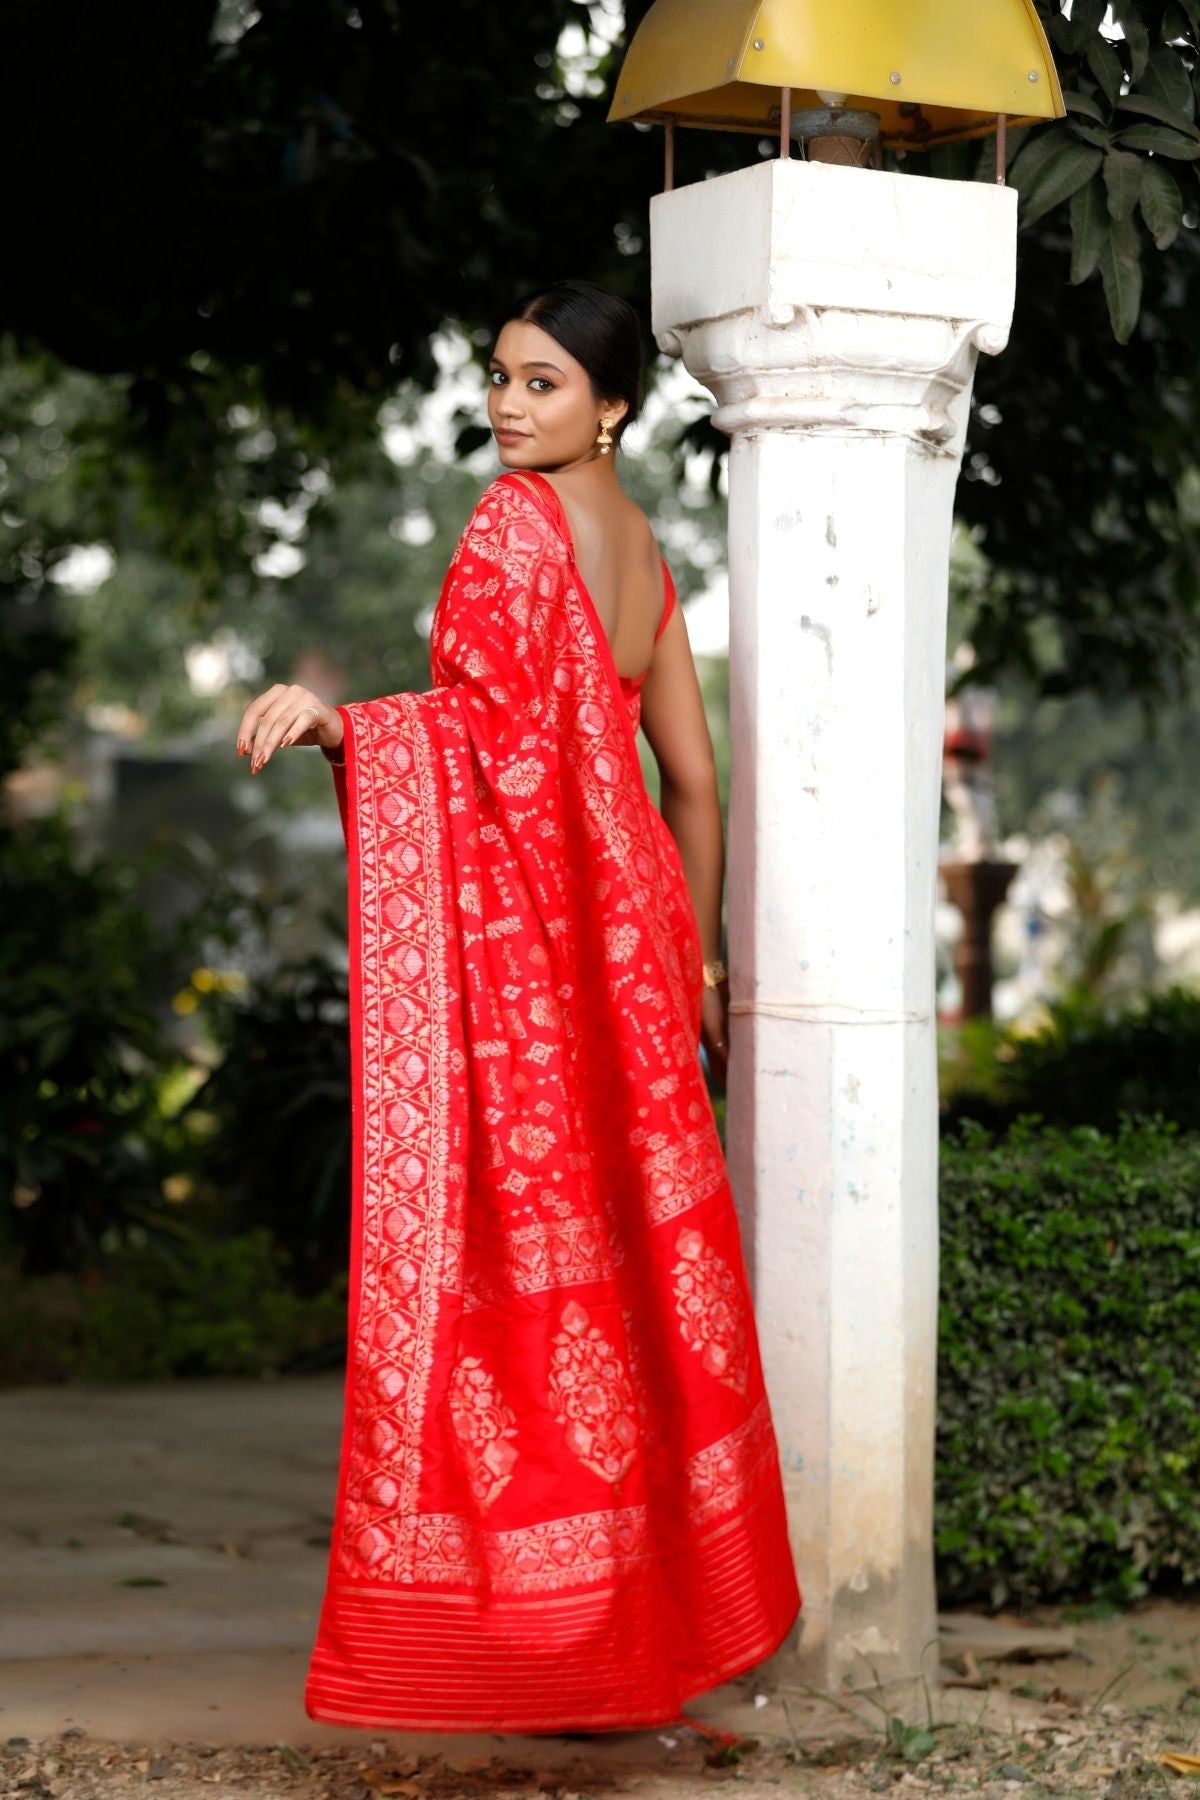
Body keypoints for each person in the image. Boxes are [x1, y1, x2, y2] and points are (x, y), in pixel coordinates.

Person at [235, 278, 802, 1734]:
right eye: (500, 376)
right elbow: (693, 783)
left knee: (527, 1274)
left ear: (611, 403)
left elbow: (480, 741)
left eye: (542, 382)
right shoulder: (649, 562)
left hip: (543, 965)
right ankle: (664, 1636)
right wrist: (696, 970)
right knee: (634, 1273)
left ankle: (553, 1645)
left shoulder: (513, 530)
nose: (506, 403)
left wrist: (340, 728)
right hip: (633, 948)